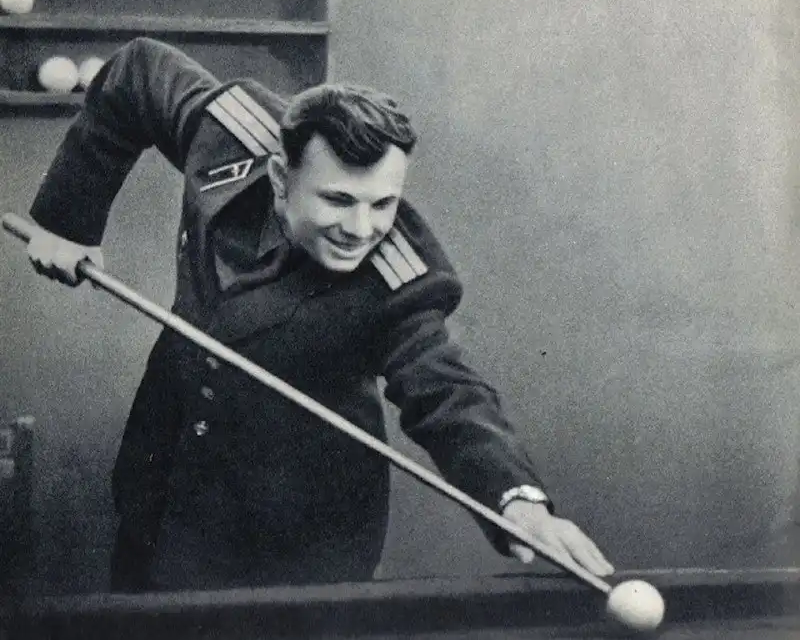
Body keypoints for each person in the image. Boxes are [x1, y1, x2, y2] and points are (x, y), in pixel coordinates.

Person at [26, 37, 614, 592]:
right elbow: (138, 71)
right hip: (161, 486)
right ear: (281, 178)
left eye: (382, 203)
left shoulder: (398, 281)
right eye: (337, 199)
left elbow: (447, 390)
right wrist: (68, 219)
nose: (361, 228)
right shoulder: (232, 132)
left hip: (298, 540)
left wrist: (518, 501)